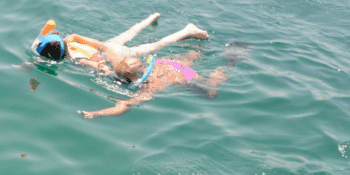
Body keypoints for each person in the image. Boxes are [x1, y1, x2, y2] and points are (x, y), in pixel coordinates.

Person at [78, 43, 249, 119]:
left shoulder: (149, 87)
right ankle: (200, 49)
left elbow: (124, 106)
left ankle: (231, 61)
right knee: (190, 58)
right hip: (166, 63)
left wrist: (96, 113)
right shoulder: (134, 66)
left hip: (181, 75)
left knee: (211, 92)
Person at [34, 14, 209, 76]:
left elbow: (96, 65)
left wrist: (103, 70)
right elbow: (98, 44)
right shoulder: (72, 38)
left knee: (155, 46)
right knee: (130, 32)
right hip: (109, 45)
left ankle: (187, 31)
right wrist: (105, 49)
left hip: (116, 55)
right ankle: (151, 18)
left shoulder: (75, 59)